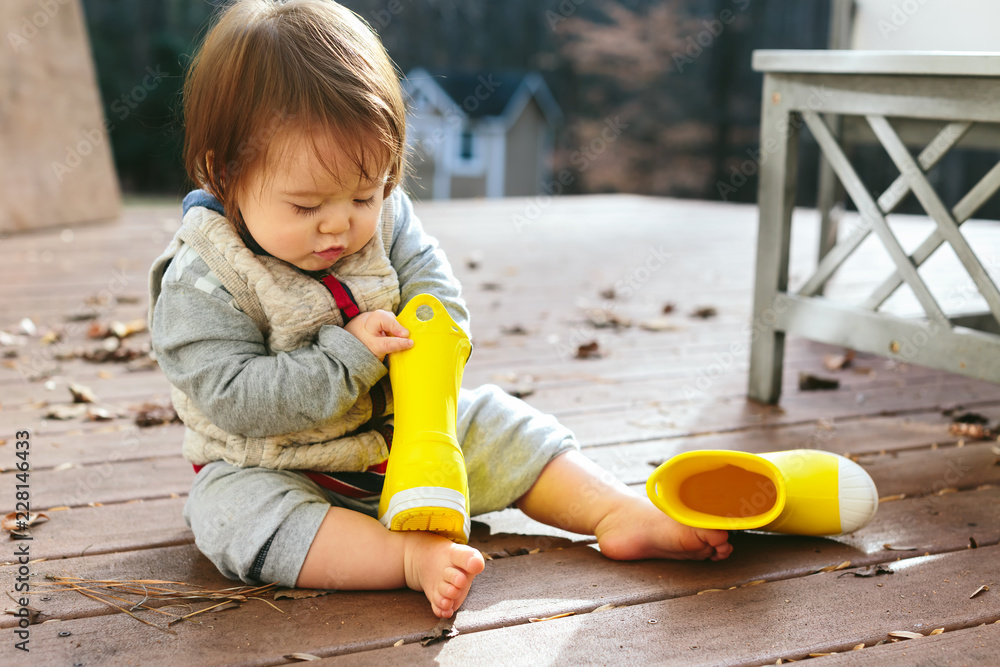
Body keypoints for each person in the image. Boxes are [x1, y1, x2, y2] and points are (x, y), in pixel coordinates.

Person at [148, 0, 732, 620]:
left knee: (498, 422)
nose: (340, 225)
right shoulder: (204, 281)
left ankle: (616, 510)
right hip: (285, 467)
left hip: (408, 441)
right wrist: (347, 356)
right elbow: (233, 398)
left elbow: (433, 282)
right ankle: (401, 558)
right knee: (230, 515)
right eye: (304, 207)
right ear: (223, 174)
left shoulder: (384, 217)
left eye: (364, 194)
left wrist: (431, 331)